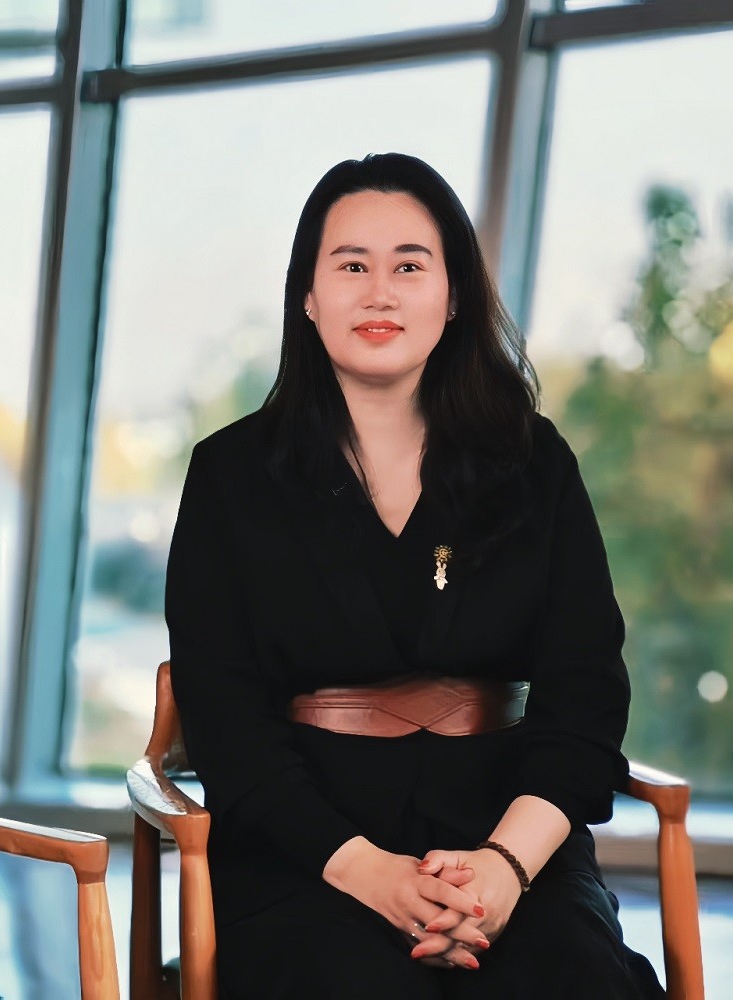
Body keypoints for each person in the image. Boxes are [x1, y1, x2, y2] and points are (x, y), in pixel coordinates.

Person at [165, 152, 665, 998]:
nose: (379, 293)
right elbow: (224, 719)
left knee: (574, 978)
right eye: (350, 266)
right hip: (308, 853)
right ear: (307, 295)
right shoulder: (230, 475)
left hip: (508, 843)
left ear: (453, 294)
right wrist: (370, 873)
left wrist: (503, 868)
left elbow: (584, 699)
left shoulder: (534, 462)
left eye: (408, 266)